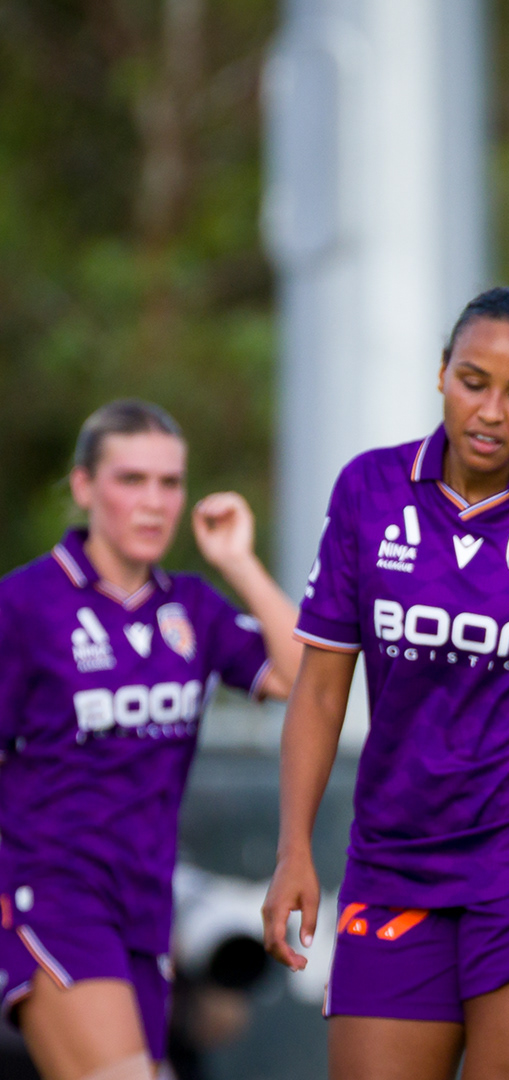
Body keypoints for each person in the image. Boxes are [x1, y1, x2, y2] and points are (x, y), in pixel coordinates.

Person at [260, 287, 509, 1080]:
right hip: (393, 857)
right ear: (441, 372)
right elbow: (322, 689)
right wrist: (292, 848)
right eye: (473, 382)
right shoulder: (369, 490)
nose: (491, 412)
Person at [0, 399, 299, 1080]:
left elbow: (305, 676)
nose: (153, 502)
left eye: (170, 482)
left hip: (147, 898)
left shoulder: (190, 606)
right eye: (131, 480)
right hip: (52, 891)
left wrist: (239, 562)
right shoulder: (24, 606)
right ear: (84, 487)